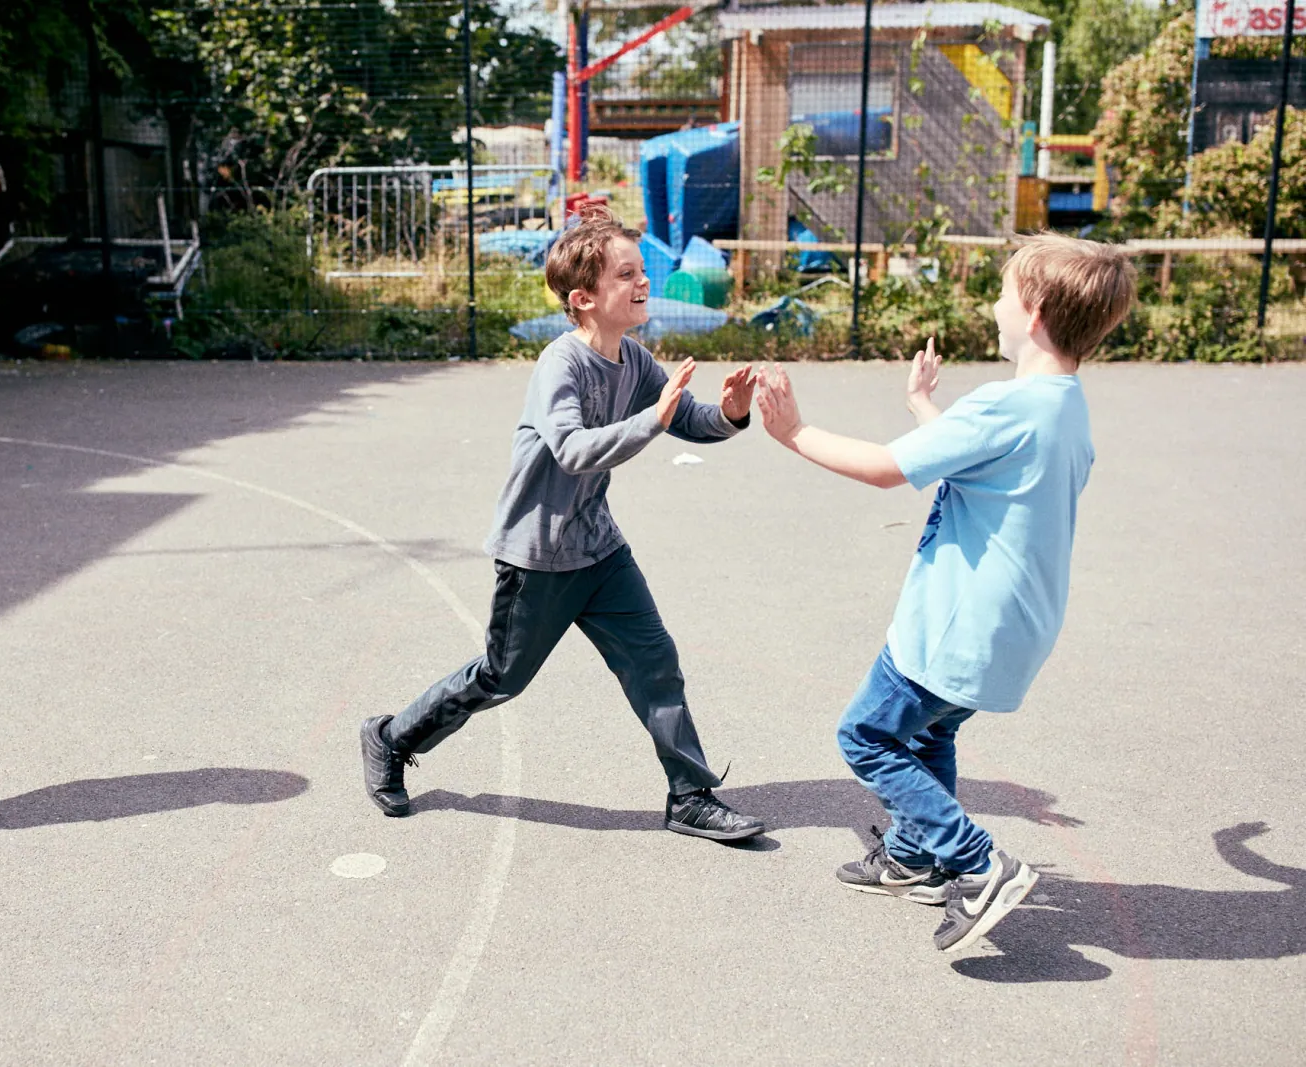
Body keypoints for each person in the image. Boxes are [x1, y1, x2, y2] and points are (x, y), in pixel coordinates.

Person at [753, 233, 1136, 949]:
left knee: (865, 734)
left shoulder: (1007, 405)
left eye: (1001, 290)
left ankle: (977, 861)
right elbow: (976, 462)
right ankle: (916, 856)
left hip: (959, 623)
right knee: (930, 730)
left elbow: (886, 469)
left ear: (1037, 307)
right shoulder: (1061, 407)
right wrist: (925, 405)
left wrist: (794, 431)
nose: (993, 303)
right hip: (1012, 625)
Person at [360, 208, 764, 841]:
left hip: (598, 548)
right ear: (583, 299)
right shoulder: (561, 365)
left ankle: (690, 795)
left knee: (655, 663)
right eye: (626, 274)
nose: (643, 283)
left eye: (643, 272)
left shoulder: (634, 358)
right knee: (501, 679)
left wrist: (733, 414)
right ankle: (390, 736)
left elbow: (690, 420)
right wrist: (653, 420)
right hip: (537, 556)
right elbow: (574, 449)